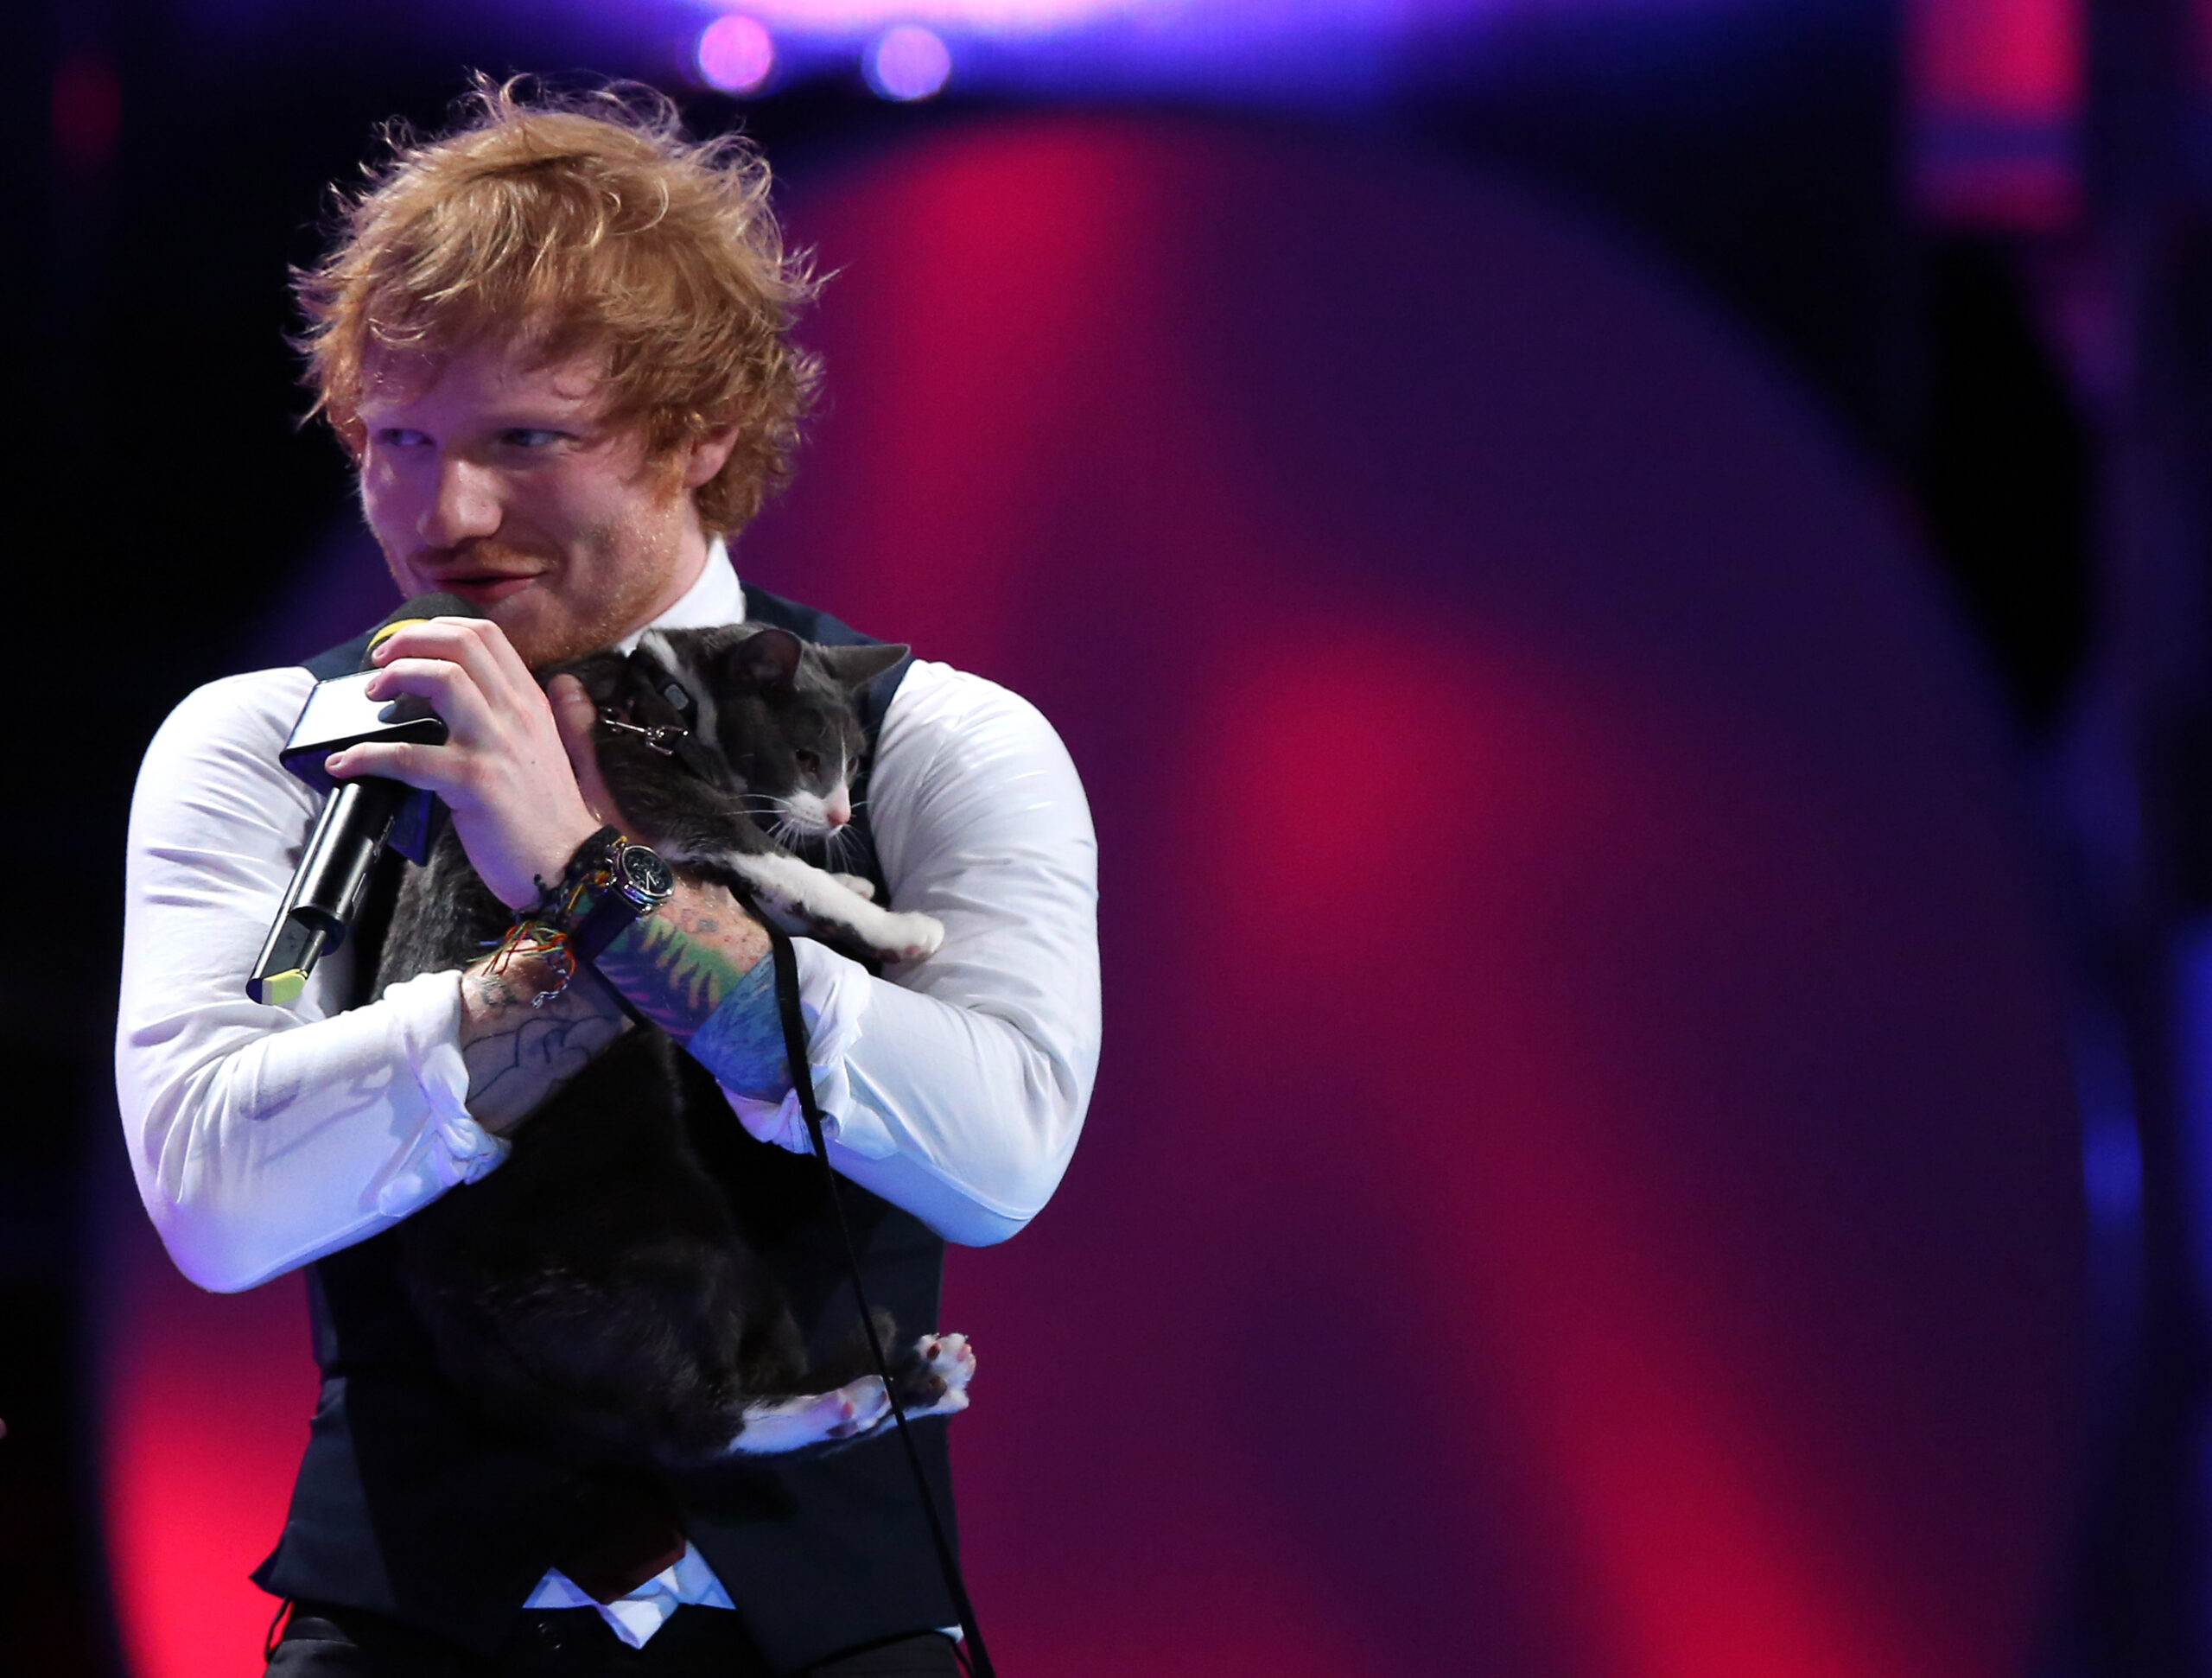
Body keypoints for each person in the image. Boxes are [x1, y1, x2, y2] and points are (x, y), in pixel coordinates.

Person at [114, 81, 1099, 1676]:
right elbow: (218, 1202)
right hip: (404, 1628)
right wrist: (557, 966)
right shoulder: (274, 743)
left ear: (702, 427)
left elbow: (997, 1157)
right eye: (400, 441)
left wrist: (588, 877)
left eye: (527, 438)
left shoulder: (941, 741)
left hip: (837, 1637)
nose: (447, 515)